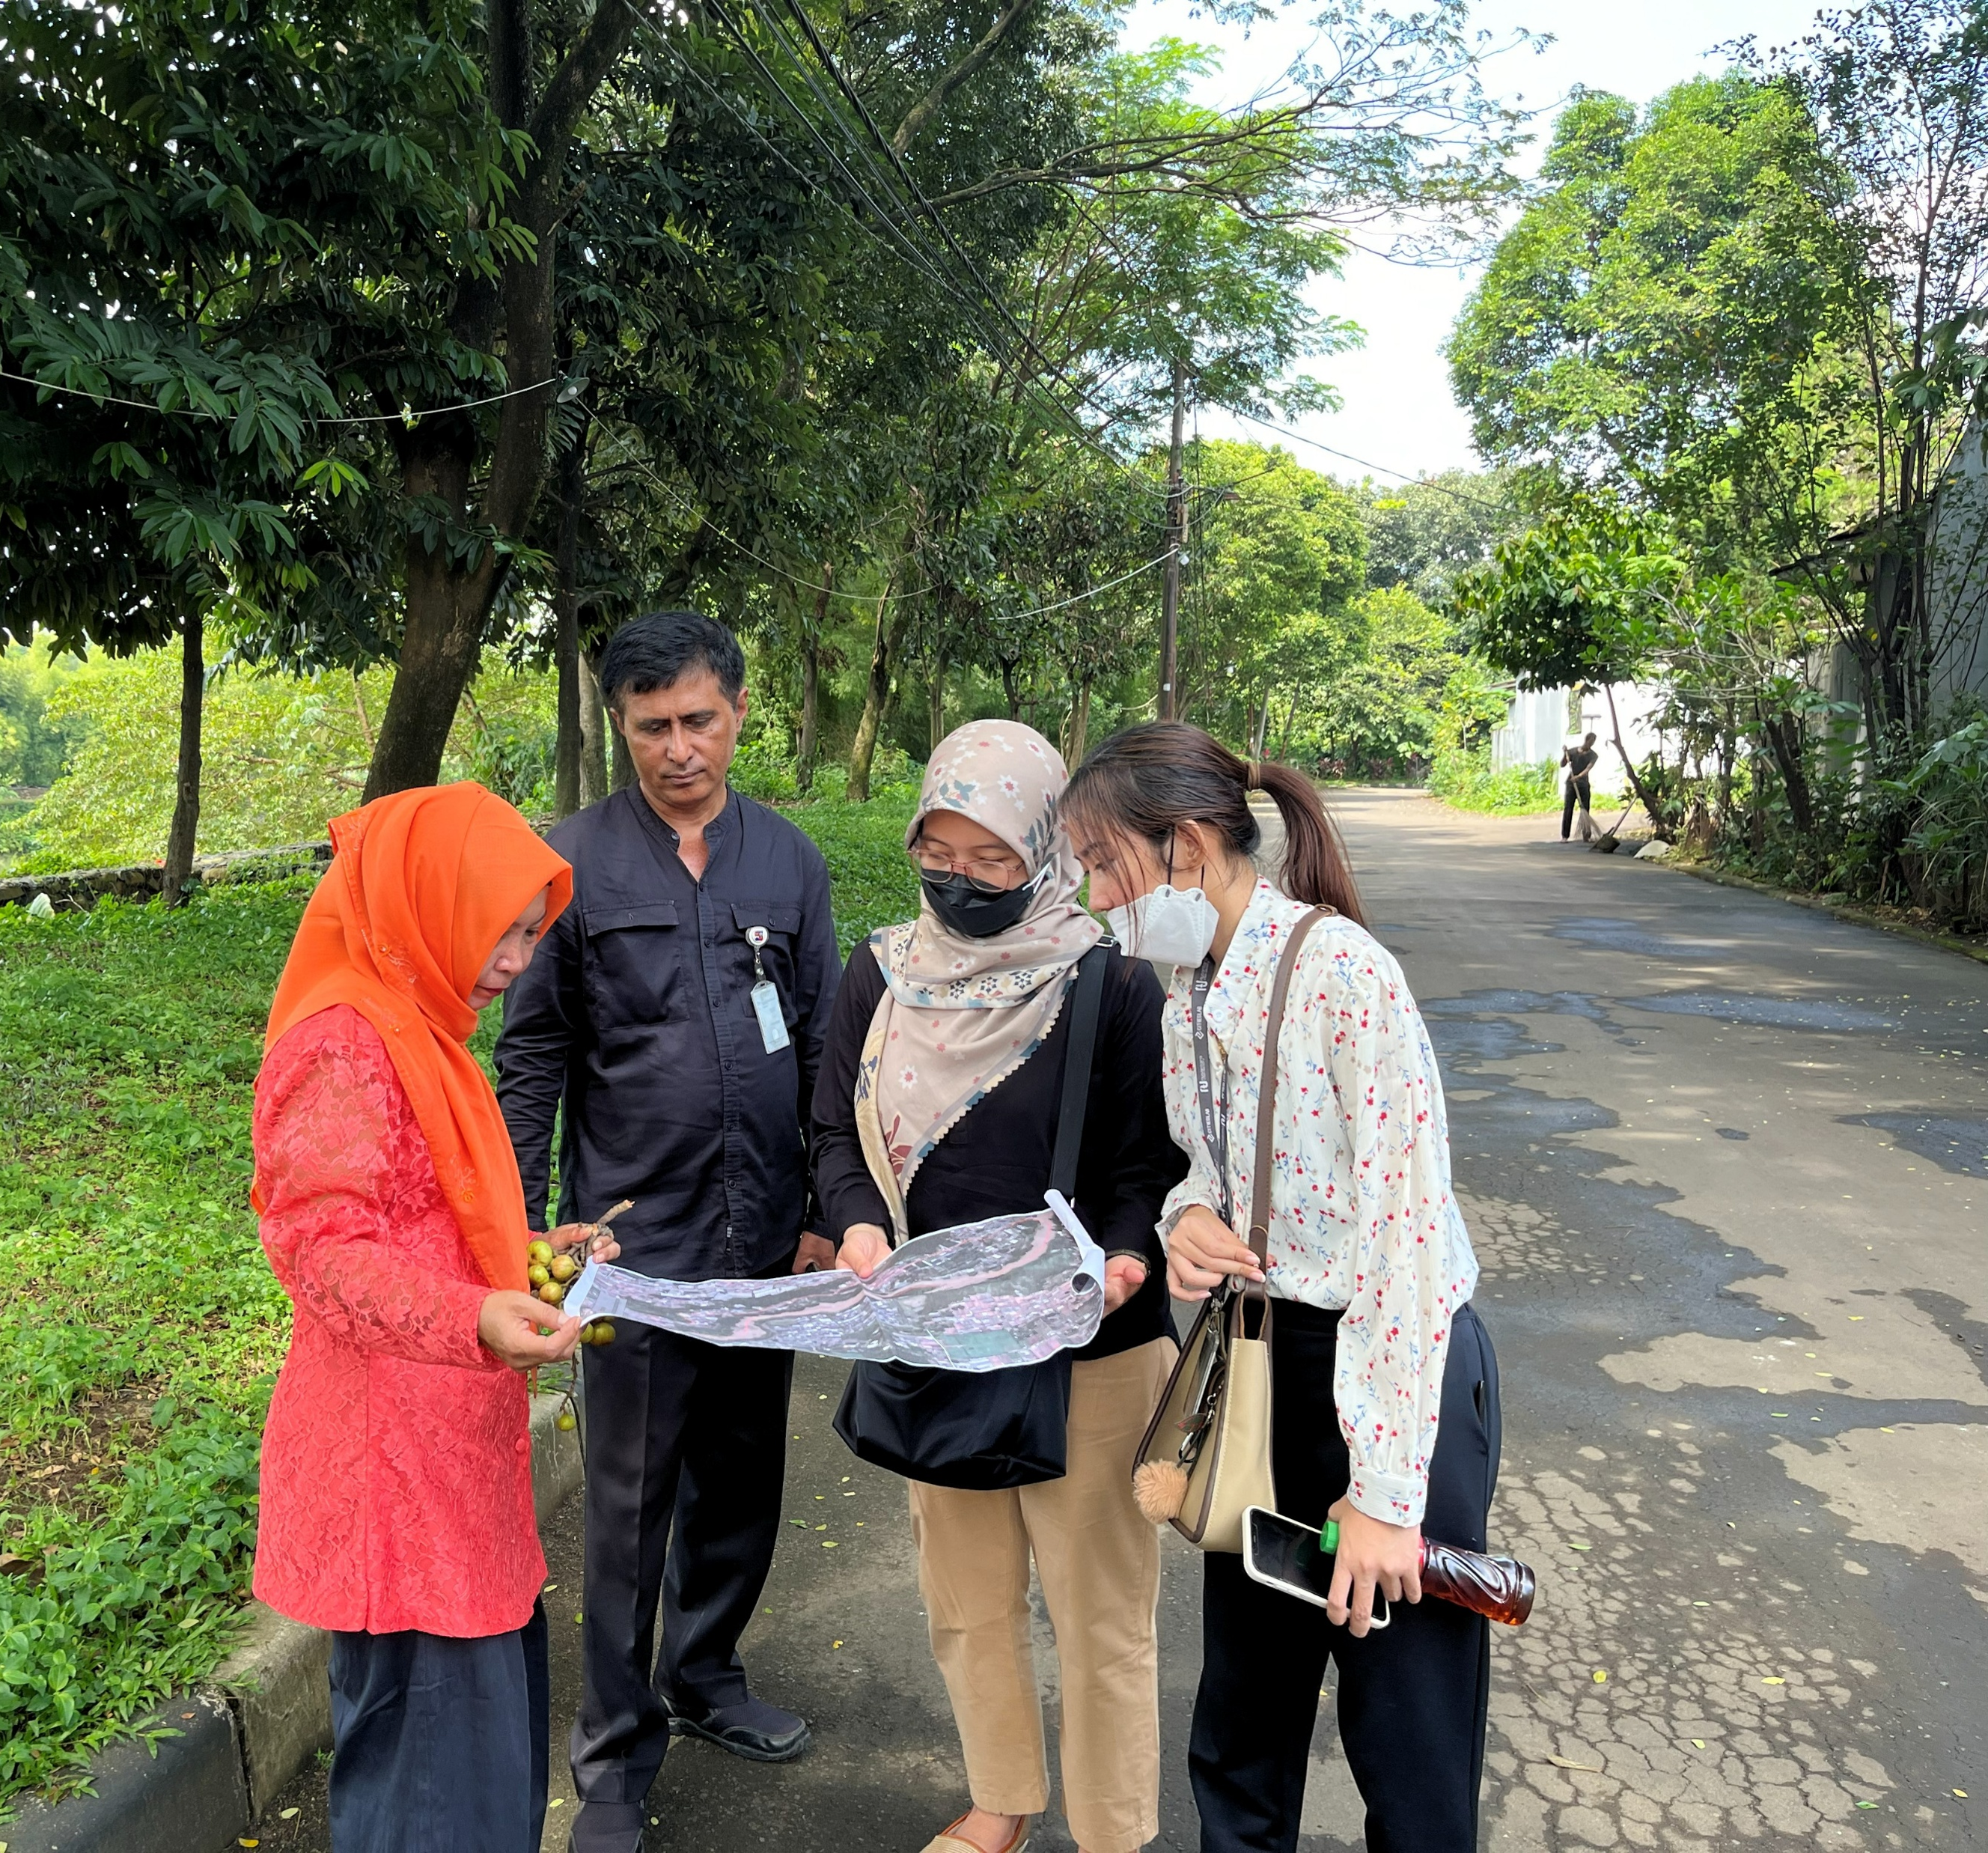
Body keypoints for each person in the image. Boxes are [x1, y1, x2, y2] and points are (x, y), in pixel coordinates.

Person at [1061, 722, 1498, 1853]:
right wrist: (1184, 1217)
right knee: (1242, 1724)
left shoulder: (1346, 973)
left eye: (1105, 861)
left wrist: (1390, 1493)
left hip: (1394, 1376)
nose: (1094, 890)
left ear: (1188, 846)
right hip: (1263, 1370)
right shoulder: (1183, 985)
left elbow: (1406, 1236)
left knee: (1406, 1736)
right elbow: (1198, 1165)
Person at [494, 610, 842, 1853]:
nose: (678, 748)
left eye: (699, 720)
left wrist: (824, 1215)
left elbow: (823, 1055)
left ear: (739, 712)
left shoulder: (789, 865)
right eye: (651, 727)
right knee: (629, 1512)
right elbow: (528, 1064)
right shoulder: (569, 862)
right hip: (632, 1257)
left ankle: (708, 1678)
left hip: (764, 1250)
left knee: (746, 1481)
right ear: (620, 726)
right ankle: (610, 1766)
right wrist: (527, 1243)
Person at [809, 720, 1186, 1853]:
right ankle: (999, 1802)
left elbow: (1149, 1161)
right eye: (941, 850)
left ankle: (1115, 1830)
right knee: (969, 1604)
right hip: (939, 1341)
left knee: (1100, 1614)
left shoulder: (1109, 977)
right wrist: (861, 1223)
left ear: (1044, 851)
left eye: (995, 858)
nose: (961, 879)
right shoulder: (878, 971)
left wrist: (1124, 1254)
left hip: (1093, 1352)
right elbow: (830, 1129)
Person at [248, 783, 616, 1853]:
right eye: (495, 928)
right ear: (421, 901)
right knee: (435, 1803)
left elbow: (432, 1226)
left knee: (480, 1788)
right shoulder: (344, 1042)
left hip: (452, 1467)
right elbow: (321, 1253)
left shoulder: (420, 1027)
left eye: (526, 933)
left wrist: (544, 1259)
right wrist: (477, 1315)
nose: (512, 958)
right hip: (396, 1485)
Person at [1561, 731, 1599, 840]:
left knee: (1585, 809)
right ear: (1586, 740)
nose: (1591, 744)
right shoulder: (1573, 752)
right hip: (1571, 784)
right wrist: (1565, 754)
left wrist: (1578, 777)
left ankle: (1586, 835)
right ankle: (1565, 836)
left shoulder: (1593, 755)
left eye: (1593, 742)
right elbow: (1562, 764)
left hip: (1583, 785)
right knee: (1568, 808)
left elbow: (1588, 769)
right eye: (1590, 741)